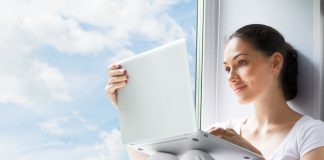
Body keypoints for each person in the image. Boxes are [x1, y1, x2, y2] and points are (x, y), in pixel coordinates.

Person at [105, 24, 324, 160]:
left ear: (275, 63)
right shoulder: (223, 132)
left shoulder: (310, 133)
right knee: (186, 156)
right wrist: (127, 108)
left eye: (242, 62)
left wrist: (252, 155)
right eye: (227, 68)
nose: (231, 76)